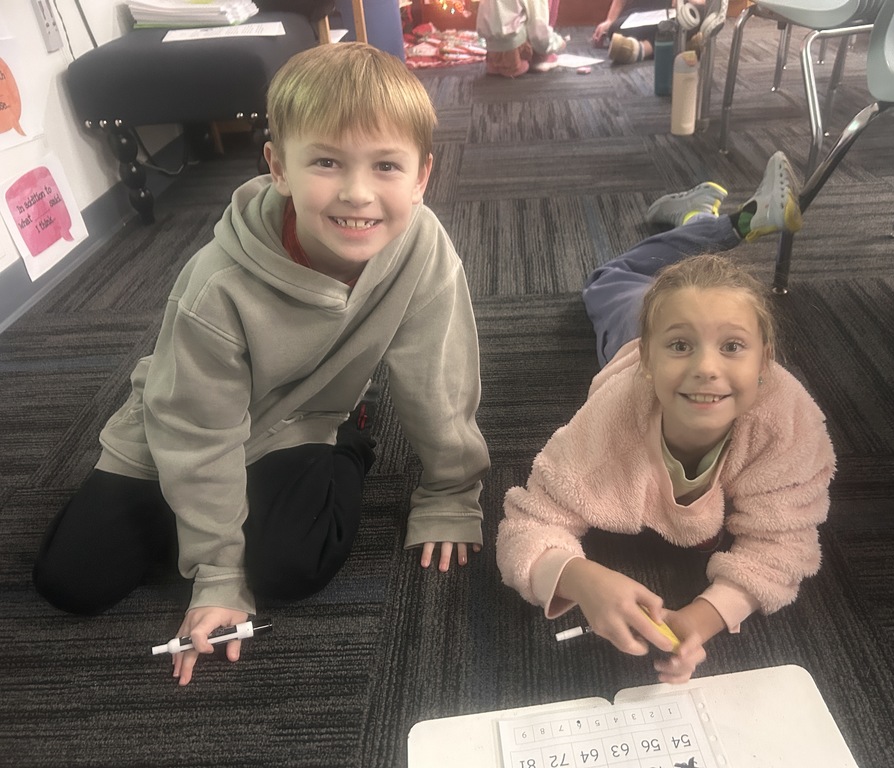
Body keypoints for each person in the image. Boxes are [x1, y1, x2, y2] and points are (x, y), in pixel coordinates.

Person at [33, 43, 490, 686]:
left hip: (306, 421)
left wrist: (450, 489)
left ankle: (350, 441)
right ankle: (207, 523)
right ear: (277, 165)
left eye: (386, 166)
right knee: (69, 581)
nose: (358, 194)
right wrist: (218, 572)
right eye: (326, 162)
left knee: (290, 569)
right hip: (189, 420)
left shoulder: (423, 247)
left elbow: (439, 378)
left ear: (421, 177)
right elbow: (199, 431)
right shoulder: (214, 288)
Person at [496, 152, 835, 684]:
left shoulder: (789, 425)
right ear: (649, 364)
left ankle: (705, 220)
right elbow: (527, 523)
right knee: (612, 277)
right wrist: (581, 579)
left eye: (732, 346)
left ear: (765, 362)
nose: (705, 368)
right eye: (680, 346)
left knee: (653, 284)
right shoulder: (614, 413)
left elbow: (786, 545)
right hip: (630, 325)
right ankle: (715, 220)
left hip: (661, 326)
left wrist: (702, 619)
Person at [477, 0, 567, 77]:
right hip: (515, 52)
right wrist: (558, 43)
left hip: (491, 55)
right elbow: (538, 31)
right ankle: (538, 58)